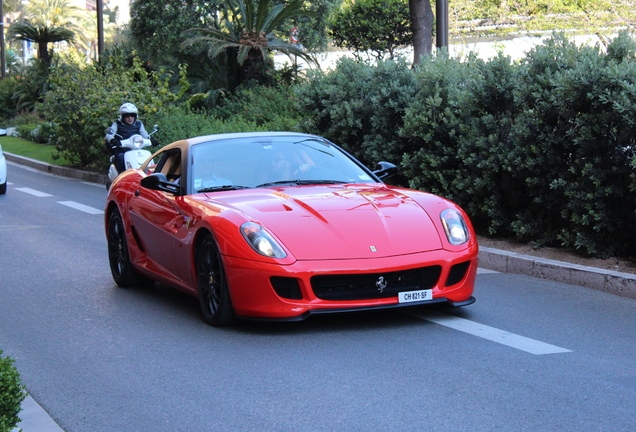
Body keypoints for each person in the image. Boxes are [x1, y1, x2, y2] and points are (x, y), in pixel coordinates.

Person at [105, 103, 156, 174]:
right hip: (122, 150)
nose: (130, 118)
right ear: (122, 116)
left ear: (135, 116)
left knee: (147, 157)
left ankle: (149, 176)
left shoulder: (139, 124)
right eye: (127, 116)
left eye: (132, 115)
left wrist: (151, 139)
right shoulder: (117, 124)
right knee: (121, 157)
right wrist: (113, 140)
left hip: (137, 149)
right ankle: (122, 177)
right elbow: (109, 135)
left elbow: (145, 135)